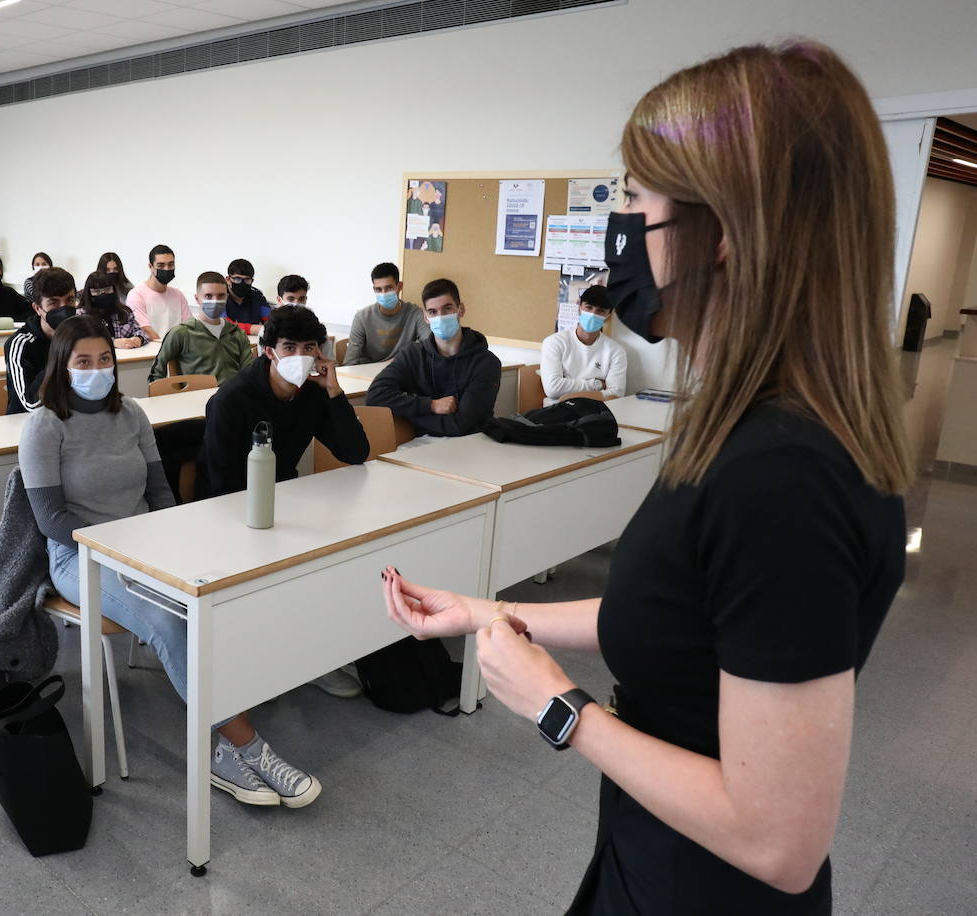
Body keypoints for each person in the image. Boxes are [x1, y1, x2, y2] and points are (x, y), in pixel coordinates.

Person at [381, 42, 912, 916]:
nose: (619, 226)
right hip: (651, 860)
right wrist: (485, 611)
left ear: (724, 230)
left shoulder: (783, 477)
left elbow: (778, 843)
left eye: (634, 199)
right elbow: (677, 620)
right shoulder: (758, 430)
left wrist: (560, 707)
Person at [21, 315, 322, 808]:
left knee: (220, 595)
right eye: (83, 362)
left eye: (105, 359)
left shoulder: (131, 414)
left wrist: (169, 544)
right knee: (166, 621)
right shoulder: (44, 425)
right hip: (81, 556)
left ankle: (233, 718)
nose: (97, 369)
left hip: (146, 545)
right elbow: (52, 519)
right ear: (62, 365)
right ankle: (243, 748)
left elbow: (160, 492)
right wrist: (125, 549)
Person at [203, 304, 369, 497]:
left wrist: (334, 391)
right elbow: (222, 484)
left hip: (285, 493)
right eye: (290, 347)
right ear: (269, 352)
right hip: (234, 499)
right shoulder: (232, 398)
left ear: (318, 352)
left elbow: (355, 453)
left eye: (309, 347)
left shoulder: (313, 392)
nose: (300, 357)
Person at [365, 278, 500, 437]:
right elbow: (375, 396)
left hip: (470, 444)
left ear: (461, 310)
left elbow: (460, 425)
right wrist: (430, 405)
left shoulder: (486, 363)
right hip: (420, 445)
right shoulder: (412, 354)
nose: (440, 317)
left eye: (447, 309)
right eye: (433, 312)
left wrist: (410, 418)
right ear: (425, 317)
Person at [148, 271, 253, 385]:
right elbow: (156, 373)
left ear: (227, 297)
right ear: (197, 299)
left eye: (221, 296)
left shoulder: (236, 333)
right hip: (197, 393)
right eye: (208, 296)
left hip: (232, 393)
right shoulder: (181, 333)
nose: (215, 301)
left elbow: (250, 373)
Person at [4, 267, 77, 414]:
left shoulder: (81, 337)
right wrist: (60, 356)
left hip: (71, 418)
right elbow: (30, 404)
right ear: (37, 308)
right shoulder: (20, 344)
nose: (64, 309)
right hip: (27, 421)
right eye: (54, 303)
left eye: (69, 300)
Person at [539, 285, 627, 405]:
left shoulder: (616, 351)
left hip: (597, 411)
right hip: (558, 410)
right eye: (589, 307)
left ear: (609, 315)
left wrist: (568, 394)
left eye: (601, 311)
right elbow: (553, 389)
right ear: (579, 307)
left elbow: (616, 394)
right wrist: (597, 384)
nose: (593, 314)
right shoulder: (554, 342)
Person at [344, 262, 430, 365]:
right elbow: (350, 363)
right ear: (374, 290)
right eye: (378, 289)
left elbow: (430, 347)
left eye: (389, 288)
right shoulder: (362, 318)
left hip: (400, 369)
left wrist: (399, 360)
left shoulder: (415, 314)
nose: (384, 294)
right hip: (369, 371)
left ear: (399, 286)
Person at [126, 244, 189, 340]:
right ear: (150, 267)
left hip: (177, 348)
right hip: (152, 349)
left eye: (171, 264)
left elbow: (189, 327)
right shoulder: (136, 295)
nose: (167, 269)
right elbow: (145, 330)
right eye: (161, 265)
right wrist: (165, 348)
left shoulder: (178, 295)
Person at [76, 271, 147, 349]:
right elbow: (82, 341)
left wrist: (139, 338)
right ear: (89, 293)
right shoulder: (81, 315)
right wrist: (113, 342)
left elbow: (140, 331)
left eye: (107, 290)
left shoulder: (125, 312)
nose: (103, 294)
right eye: (97, 291)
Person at [224, 258, 270, 330]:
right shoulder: (219, 296)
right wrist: (254, 329)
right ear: (228, 279)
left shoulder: (257, 296)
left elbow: (270, 320)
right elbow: (223, 324)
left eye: (247, 280)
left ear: (252, 281)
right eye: (237, 279)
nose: (242, 283)